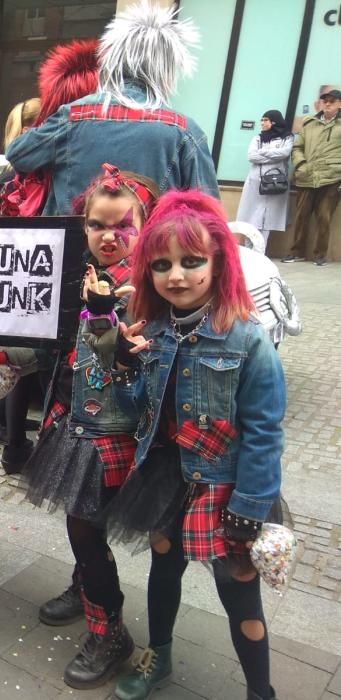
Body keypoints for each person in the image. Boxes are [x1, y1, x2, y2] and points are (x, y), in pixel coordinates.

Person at [0, 165, 159, 689]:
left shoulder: (153, 288)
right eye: (97, 225)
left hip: (117, 434)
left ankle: (110, 630)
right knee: (83, 524)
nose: (109, 236)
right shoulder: (75, 278)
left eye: (122, 225)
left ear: (142, 225)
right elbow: (49, 342)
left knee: (84, 526)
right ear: (83, 226)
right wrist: (1, 353)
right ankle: (87, 587)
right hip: (69, 421)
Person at [105, 190, 283, 700]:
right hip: (166, 477)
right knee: (164, 567)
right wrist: (122, 364)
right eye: (162, 264)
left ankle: (259, 691)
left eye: (191, 261)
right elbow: (140, 406)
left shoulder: (248, 339)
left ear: (218, 261)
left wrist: (249, 507)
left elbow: (266, 432)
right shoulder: (153, 330)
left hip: (227, 486)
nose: (176, 275)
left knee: (239, 592)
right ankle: (157, 656)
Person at [0, 39, 100, 469]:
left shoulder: (39, 155)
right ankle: (32, 445)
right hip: (50, 265)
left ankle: (16, 444)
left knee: (30, 358)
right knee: (50, 360)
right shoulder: (67, 148)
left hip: (30, 268)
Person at [6, 0, 219, 216]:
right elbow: (208, 216)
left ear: (111, 61)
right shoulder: (184, 132)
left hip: (70, 245)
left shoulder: (74, 116)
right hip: (145, 247)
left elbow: (18, 154)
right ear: (166, 70)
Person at [283, 88, 340, 266]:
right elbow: (297, 147)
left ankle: (320, 255)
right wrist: (300, 165)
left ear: (339, 104)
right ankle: (295, 252)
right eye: (325, 101)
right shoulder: (309, 123)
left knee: (324, 218)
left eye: (332, 101)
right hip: (306, 177)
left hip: (331, 178)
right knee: (301, 216)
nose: (328, 104)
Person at [236, 111, 293, 253]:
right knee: (251, 217)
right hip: (255, 184)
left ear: (274, 121)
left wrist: (263, 153)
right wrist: (273, 154)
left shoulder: (287, 138)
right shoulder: (258, 138)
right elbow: (252, 156)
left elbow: (285, 153)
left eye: (266, 120)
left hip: (275, 184)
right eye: (261, 120)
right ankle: (249, 250)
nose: (262, 123)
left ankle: (260, 251)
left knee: (268, 220)